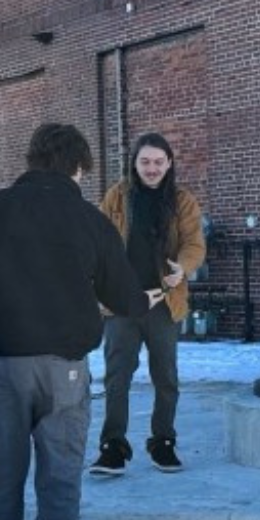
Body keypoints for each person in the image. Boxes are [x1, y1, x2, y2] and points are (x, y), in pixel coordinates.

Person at [0, 122, 165, 520]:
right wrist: (147, 297)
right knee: (60, 487)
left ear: (33, 160)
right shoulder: (90, 220)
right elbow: (123, 297)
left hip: (0, 369)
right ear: (78, 167)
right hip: (65, 371)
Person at [89, 133, 205, 476]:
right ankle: (113, 447)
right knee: (117, 378)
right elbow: (98, 241)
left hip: (164, 303)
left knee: (166, 377)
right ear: (135, 163)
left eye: (158, 162)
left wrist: (182, 267)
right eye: (145, 162)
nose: (151, 168)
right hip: (121, 304)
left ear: (169, 163)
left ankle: (162, 442)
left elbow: (194, 243)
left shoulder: (182, 200)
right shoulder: (116, 196)